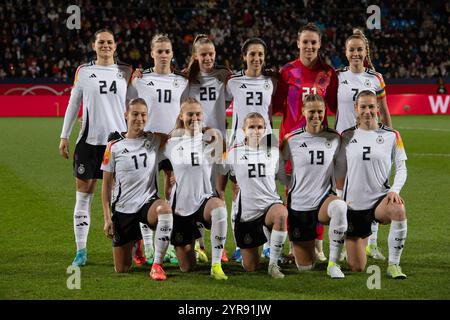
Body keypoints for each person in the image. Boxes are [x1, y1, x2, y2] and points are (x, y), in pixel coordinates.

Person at [59, 29, 133, 267]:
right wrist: (64, 136)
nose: (105, 46)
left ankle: (128, 247)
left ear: (115, 45)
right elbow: (73, 104)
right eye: (101, 42)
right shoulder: (84, 71)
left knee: (121, 199)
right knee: (84, 195)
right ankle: (81, 250)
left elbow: (136, 106)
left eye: (109, 42)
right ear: (94, 45)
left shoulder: (127, 72)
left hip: (118, 144)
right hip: (88, 143)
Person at [273, 22, 338, 262]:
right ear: (298, 43)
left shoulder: (328, 72)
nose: (309, 46)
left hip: (319, 141)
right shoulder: (287, 71)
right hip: (292, 141)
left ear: (319, 44)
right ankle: (294, 242)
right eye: (305, 42)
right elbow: (277, 105)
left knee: (320, 187)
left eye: (314, 42)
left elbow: (333, 106)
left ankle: (319, 245)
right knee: (292, 191)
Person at [128, 34, 188, 265]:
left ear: (172, 54)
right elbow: (130, 106)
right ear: (152, 53)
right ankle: (148, 245)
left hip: (172, 144)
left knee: (172, 191)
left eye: (167, 51)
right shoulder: (140, 80)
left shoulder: (181, 81)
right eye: (159, 51)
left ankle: (170, 244)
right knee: (147, 194)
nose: (163, 55)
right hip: (149, 143)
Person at [336, 90, 408, 279]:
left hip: (379, 202)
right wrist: (339, 199)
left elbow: (402, 168)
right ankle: (362, 237)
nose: (367, 111)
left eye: (371, 106)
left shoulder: (392, 135)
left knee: (399, 209)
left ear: (377, 108)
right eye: (363, 107)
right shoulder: (346, 136)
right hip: (354, 206)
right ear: (356, 109)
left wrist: (394, 190)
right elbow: (339, 172)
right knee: (357, 267)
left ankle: (394, 265)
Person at [336, 29, 393, 261]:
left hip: (372, 141)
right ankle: (338, 244)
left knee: (374, 190)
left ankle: (372, 243)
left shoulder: (376, 78)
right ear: (346, 52)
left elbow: (384, 109)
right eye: (352, 50)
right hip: (344, 143)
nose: (356, 53)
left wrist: (389, 136)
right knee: (341, 193)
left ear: (366, 52)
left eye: (360, 49)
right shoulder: (337, 76)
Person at [101, 98, 173, 280]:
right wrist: (107, 218)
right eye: (135, 114)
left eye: (143, 114)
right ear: (126, 115)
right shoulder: (114, 146)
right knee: (122, 268)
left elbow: (177, 134)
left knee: (164, 210)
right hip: (123, 208)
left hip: (147, 203)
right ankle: (136, 243)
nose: (139, 118)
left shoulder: (154, 139)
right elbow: (106, 185)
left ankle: (157, 264)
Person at [279, 94, 347, 279]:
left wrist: (339, 192)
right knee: (305, 268)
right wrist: (289, 184)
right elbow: (277, 167)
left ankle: (334, 263)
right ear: (303, 111)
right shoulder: (291, 139)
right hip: (300, 205)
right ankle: (304, 252)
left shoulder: (334, 138)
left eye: (320, 111)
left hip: (324, 200)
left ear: (325, 112)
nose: (316, 115)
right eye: (312, 111)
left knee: (340, 207)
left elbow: (341, 170)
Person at [163, 97, 228, 280]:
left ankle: (216, 264)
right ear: (182, 116)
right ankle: (193, 250)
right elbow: (151, 159)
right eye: (190, 114)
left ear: (203, 115)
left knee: (219, 208)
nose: (194, 118)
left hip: (203, 200)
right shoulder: (171, 143)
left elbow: (223, 168)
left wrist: (220, 191)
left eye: (198, 114)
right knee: (187, 267)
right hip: (181, 206)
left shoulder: (211, 139)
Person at [226, 37, 278, 262]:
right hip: (239, 143)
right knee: (238, 192)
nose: (256, 58)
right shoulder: (232, 81)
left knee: (267, 189)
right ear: (244, 57)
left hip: (266, 143)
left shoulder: (271, 81)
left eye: (260, 55)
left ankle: (267, 243)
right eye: (252, 54)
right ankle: (240, 243)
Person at [184, 34, 232, 263]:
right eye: (203, 54)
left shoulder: (223, 77)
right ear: (195, 55)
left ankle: (218, 247)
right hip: (194, 145)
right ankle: (199, 243)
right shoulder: (187, 80)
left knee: (217, 193)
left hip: (217, 143)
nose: (208, 58)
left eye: (211, 53)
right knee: (196, 193)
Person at [224, 112, 288, 279]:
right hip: (247, 214)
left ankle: (273, 264)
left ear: (265, 129)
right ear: (244, 130)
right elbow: (223, 174)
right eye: (251, 127)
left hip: (269, 207)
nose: (256, 130)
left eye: (260, 127)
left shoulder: (273, 152)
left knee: (281, 213)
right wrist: (219, 192)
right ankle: (254, 250)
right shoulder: (233, 153)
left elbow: (282, 177)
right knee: (251, 267)